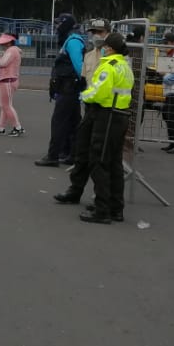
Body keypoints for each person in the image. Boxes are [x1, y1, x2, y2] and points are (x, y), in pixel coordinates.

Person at [53, 32, 134, 224]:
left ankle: (102, 209)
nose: (102, 48)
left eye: (105, 45)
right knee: (112, 162)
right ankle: (114, 207)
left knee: (100, 161)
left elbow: (99, 92)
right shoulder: (124, 65)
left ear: (110, 48)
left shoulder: (109, 66)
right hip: (117, 115)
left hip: (105, 114)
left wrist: (84, 96)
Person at [37, 13, 86, 167]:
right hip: (70, 88)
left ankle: (53, 156)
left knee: (58, 122)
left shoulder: (73, 41)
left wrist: (84, 83)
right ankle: (71, 153)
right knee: (73, 123)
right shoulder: (71, 40)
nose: (57, 27)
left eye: (59, 24)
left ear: (66, 24)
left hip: (69, 88)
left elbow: (79, 66)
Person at [0, 32, 25, 136]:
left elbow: (3, 63)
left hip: (7, 81)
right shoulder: (13, 50)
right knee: (5, 106)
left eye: (3, 43)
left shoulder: (11, 50)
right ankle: (1, 127)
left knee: (6, 106)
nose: (2, 45)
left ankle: (18, 127)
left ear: (9, 42)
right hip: (9, 80)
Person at [81, 19, 110, 86]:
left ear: (108, 33)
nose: (96, 35)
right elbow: (84, 79)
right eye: (94, 32)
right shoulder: (88, 55)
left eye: (100, 32)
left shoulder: (116, 54)